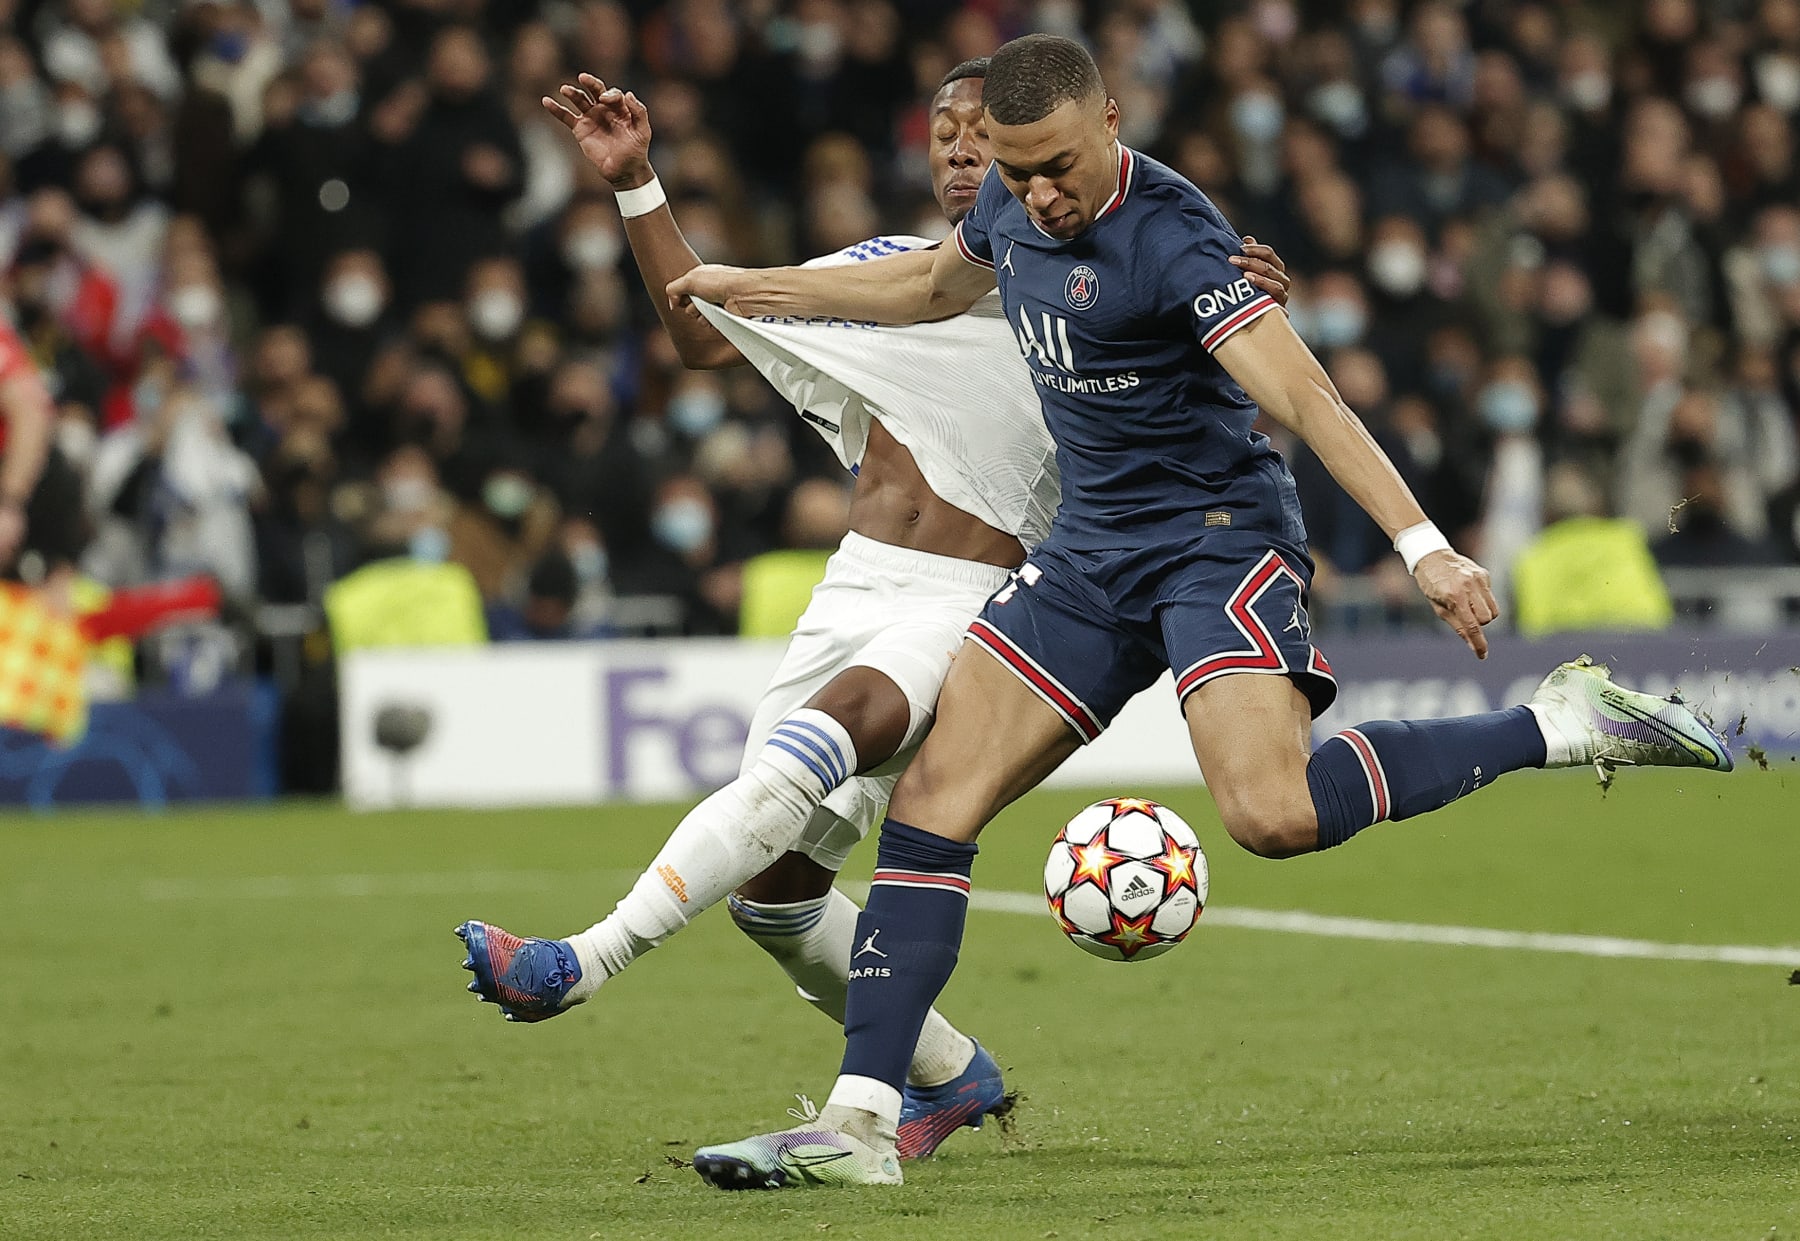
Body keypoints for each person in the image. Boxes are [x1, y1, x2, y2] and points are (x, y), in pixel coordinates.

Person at [669, 34, 1734, 1191]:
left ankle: (1558, 722)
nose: (1037, 197)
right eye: (1018, 174)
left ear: (1113, 121)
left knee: (1272, 813)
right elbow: (930, 283)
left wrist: (1424, 545)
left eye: (1058, 168)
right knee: (932, 799)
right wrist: (750, 284)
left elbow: (1305, 393)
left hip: (1214, 543)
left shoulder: (1176, 235)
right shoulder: (1016, 208)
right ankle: (861, 1122)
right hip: (1087, 556)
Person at [453, 59, 1296, 1160]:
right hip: (856, 582)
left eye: (979, 134)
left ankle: (579, 961)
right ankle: (947, 1073)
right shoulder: (875, 275)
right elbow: (706, 329)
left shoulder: (1098, 277)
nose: (958, 148)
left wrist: (1257, 291)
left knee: (821, 742)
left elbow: (1224, 366)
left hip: (984, 601)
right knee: (776, 896)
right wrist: (636, 185)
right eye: (942, 130)